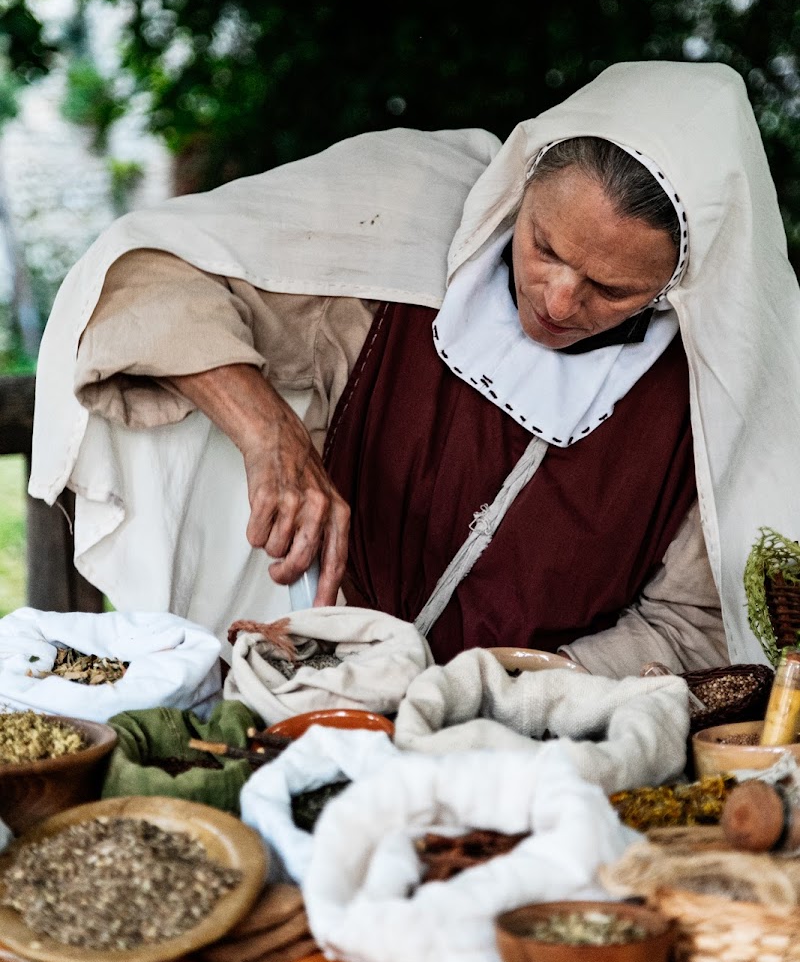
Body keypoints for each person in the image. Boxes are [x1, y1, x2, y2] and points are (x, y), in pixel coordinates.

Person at [30, 61, 800, 674]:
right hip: (309, 688)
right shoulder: (397, 234)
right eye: (545, 247)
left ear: (679, 283)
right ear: (521, 187)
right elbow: (141, 279)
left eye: (611, 288)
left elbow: (701, 621)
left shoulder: (711, 398)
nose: (560, 299)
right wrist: (271, 432)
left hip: (528, 753)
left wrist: (511, 686)